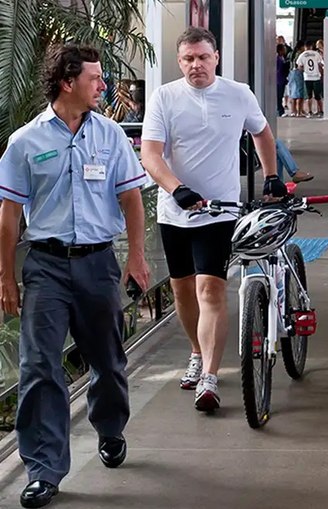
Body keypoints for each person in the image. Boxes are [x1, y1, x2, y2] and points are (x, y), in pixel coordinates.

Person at [0, 43, 150, 508]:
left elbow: (131, 199)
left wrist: (137, 257)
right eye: (94, 78)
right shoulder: (25, 141)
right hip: (45, 266)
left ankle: (110, 427)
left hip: (98, 263)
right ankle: (44, 469)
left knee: (106, 357)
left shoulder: (110, 135)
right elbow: (9, 214)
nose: (103, 85)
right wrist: (6, 276)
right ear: (68, 83)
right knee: (39, 365)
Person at [141, 27, 287, 412]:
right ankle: (196, 350)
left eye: (203, 57)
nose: (196, 65)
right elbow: (150, 154)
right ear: (179, 62)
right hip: (175, 212)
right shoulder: (164, 97)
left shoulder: (238, 94)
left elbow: (262, 133)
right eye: (188, 59)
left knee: (210, 290)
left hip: (220, 211)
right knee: (183, 291)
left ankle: (209, 375)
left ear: (216, 58)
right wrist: (177, 189)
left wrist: (272, 175)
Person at [298, 41, 324, 118]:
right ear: (311, 46)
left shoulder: (302, 55)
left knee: (308, 96)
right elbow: (320, 65)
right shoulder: (316, 54)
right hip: (316, 77)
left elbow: (299, 66)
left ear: (305, 47)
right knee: (318, 96)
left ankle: (309, 111)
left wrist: (305, 70)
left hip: (307, 77)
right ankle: (320, 111)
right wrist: (321, 74)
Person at [276, 44, 290, 117]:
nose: (285, 50)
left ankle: (280, 110)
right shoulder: (278, 59)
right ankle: (280, 111)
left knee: (280, 96)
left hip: (282, 79)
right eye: (284, 49)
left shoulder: (282, 58)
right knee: (279, 96)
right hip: (279, 80)